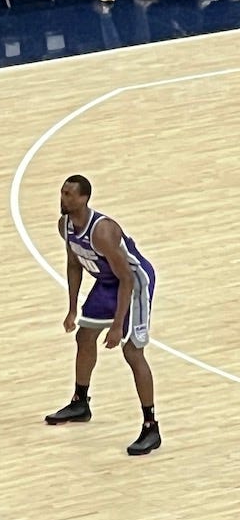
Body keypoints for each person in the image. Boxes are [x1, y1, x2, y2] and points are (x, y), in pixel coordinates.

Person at [45, 175, 160, 455]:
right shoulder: (66, 225)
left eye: (69, 194)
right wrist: (72, 308)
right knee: (84, 337)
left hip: (133, 283)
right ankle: (80, 403)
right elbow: (74, 264)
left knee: (132, 352)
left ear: (84, 198)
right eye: (62, 193)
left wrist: (117, 325)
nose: (63, 198)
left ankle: (151, 427)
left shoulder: (103, 231)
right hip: (108, 282)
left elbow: (127, 279)